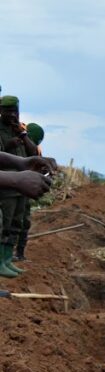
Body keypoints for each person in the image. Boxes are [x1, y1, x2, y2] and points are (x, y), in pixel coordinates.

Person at [0, 96, 37, 277]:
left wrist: (23, 135)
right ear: (1, 111)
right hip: (6, 185)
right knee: (4, 225)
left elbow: (33, 152)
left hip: (22, 186)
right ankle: (1, 262)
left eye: (15, 111)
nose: (13, 115)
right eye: (9, 111)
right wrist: (8, 145)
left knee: (17, 223)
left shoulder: (18, 129)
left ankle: (7, 259)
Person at [13, 123, 45, 261]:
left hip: (24, 190)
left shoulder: (34, 149)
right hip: (12, 188)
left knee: (23, 222)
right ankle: (8, 255)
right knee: (12, 222)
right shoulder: (17, 143)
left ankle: (19, 254)